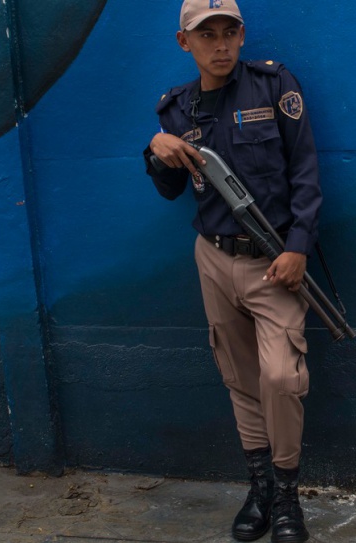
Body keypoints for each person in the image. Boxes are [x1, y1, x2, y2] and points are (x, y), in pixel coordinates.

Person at [143, 1, 320, 542]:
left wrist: (298, 246)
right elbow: (171, 188)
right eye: (206, 36)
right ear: (184, 43)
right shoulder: (176, 110)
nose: (219, 45)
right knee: (240, 379)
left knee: (281, 378)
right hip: (215, 259)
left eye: (229, 33)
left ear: (242, 36)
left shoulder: (273, 87)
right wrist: (154, 151)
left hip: (275, 263)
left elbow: (305, 170)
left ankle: (288, 496)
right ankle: (260, 486)